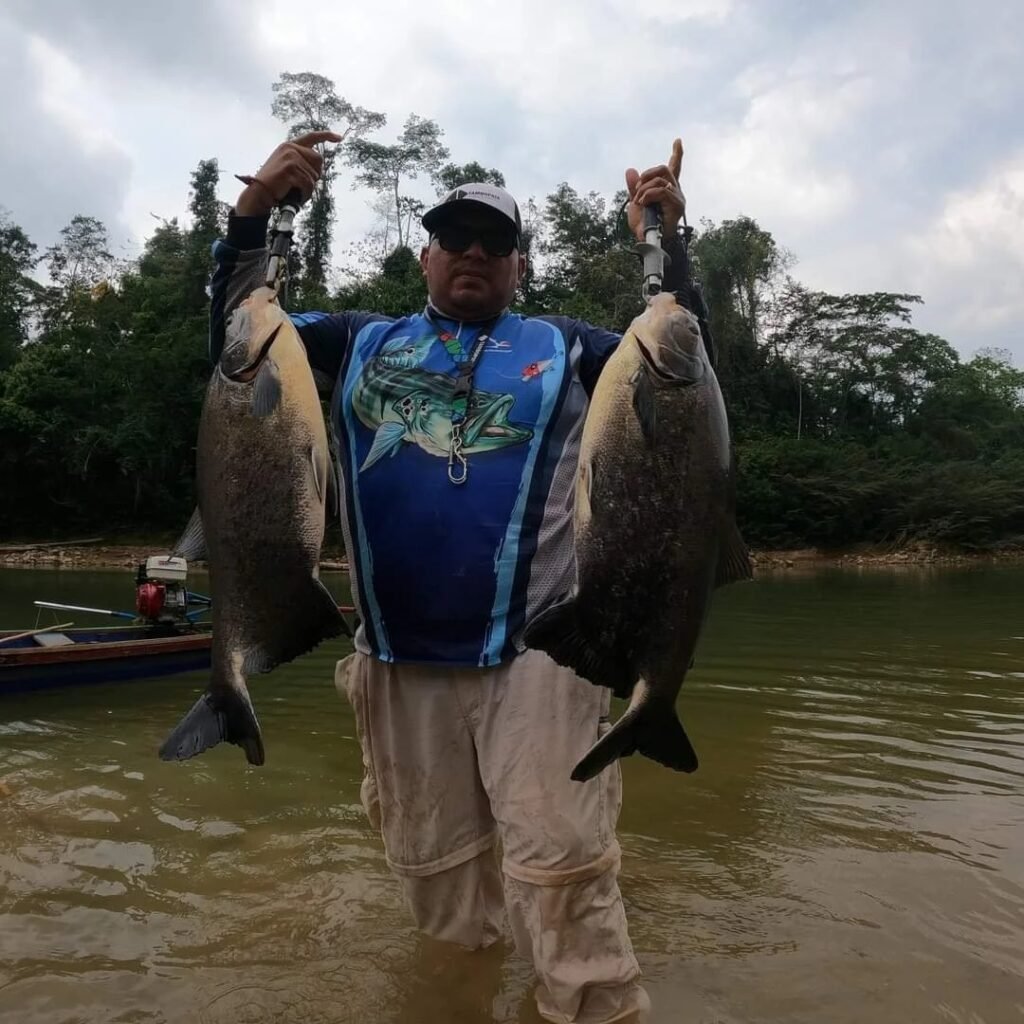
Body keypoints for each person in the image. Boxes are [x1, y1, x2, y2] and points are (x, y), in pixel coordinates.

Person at [211, 130, 708, 1024]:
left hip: (542, 658)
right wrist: (255, 215)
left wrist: (665, 240)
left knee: (563, 874)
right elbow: (240, 337)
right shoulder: (355, 341)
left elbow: (680, 365)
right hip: (397, 659)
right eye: (456, 237)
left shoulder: (569, 348)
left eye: (494, 241)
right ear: (427, 253)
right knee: (436, 881)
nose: (473, 253)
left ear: (519, 263)